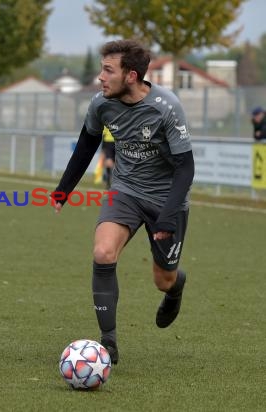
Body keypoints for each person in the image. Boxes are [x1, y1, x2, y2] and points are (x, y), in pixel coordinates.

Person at [51, 39, 195, 365]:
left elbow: (186, 167)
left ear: (131, 76)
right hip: (125, 191)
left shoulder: (166, 107)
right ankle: (108, 345)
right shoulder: (101, 103)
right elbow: (87, 143)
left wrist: (169, 216)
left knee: (163, 279)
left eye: (108, 70)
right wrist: (63, 189)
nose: (100, 77)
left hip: (166, 200)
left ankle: (175, 285)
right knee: (103, 252)